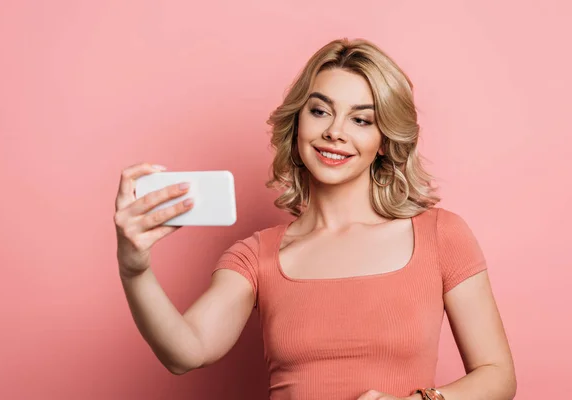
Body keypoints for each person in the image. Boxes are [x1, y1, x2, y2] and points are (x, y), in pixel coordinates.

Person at [114, 38, 516, 400]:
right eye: (321, 111)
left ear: (383, 141)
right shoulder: (256, 256)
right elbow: (187, 351)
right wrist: (135, 270)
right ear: (298, 122)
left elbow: (497, 376)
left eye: (361, 120)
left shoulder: (441, 235)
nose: (335, 132)